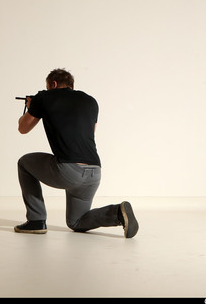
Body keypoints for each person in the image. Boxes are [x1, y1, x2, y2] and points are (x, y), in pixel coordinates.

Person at [15, 68, 138, 238]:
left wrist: (30, 107)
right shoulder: (91, 101)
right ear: (71, 85)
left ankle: (36, 221)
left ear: (53, 84)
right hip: (94, 171)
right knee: (76, 222)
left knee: (24, 163)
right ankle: (117, 212)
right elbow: (90, 132)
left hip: (68, 171)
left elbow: (23, 128)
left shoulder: (44, 97)